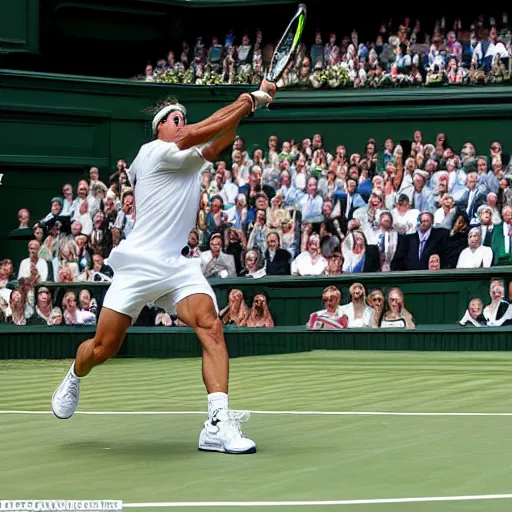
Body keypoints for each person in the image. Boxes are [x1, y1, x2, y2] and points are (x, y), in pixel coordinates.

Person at [51, 79, 276, 455]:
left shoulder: (185, 158)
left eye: (182, 117)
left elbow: (218, 142)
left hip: (176, 265)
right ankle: (75, 374)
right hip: (138, 264)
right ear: (159, 128)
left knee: (212, 325)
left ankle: (216, 425)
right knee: (103, 348)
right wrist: (248, 101)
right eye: (173, 118)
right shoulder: (153, 152)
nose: (180, 121)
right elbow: (196, 135)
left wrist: (248, 107)